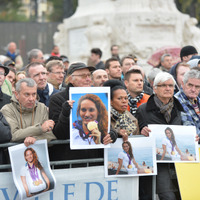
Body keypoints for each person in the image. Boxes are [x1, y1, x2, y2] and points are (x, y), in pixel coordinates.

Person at [49, 62, 117, 161]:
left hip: (96, 159)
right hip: (69, 160)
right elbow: (59, 134)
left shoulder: (98, 95)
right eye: (83, 76)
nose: (88, 79)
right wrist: (65, 113)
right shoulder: (57, 99)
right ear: (70, 79)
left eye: (89, 75)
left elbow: (105, 123)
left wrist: (111, 134)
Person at [136, 72, 184, 200]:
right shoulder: (143, 109)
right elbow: (137, 132)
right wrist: (142, 132)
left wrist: (193, 137)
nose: (168, 88)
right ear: (155, 88)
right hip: (158, 162)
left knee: (183, 194)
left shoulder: (180, 108)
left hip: (180, 162)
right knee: (167, 195)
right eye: (163, 85)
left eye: (171, 85)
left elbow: (186, 130)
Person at [1, 78, 56, 143]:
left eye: (34, 94)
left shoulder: (41, 107)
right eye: (27, 94)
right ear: (16, 94)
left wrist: (35, 139)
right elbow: (13, 135)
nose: (31, 99)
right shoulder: (7, 109)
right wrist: (40, 129)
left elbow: (50, 135)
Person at [175, 69, 200, 136]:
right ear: (183, 84)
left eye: (197, 86)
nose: (193, 90)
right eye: (190, 85)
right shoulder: (176, 101)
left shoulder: (197, 100)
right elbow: (190, 130)